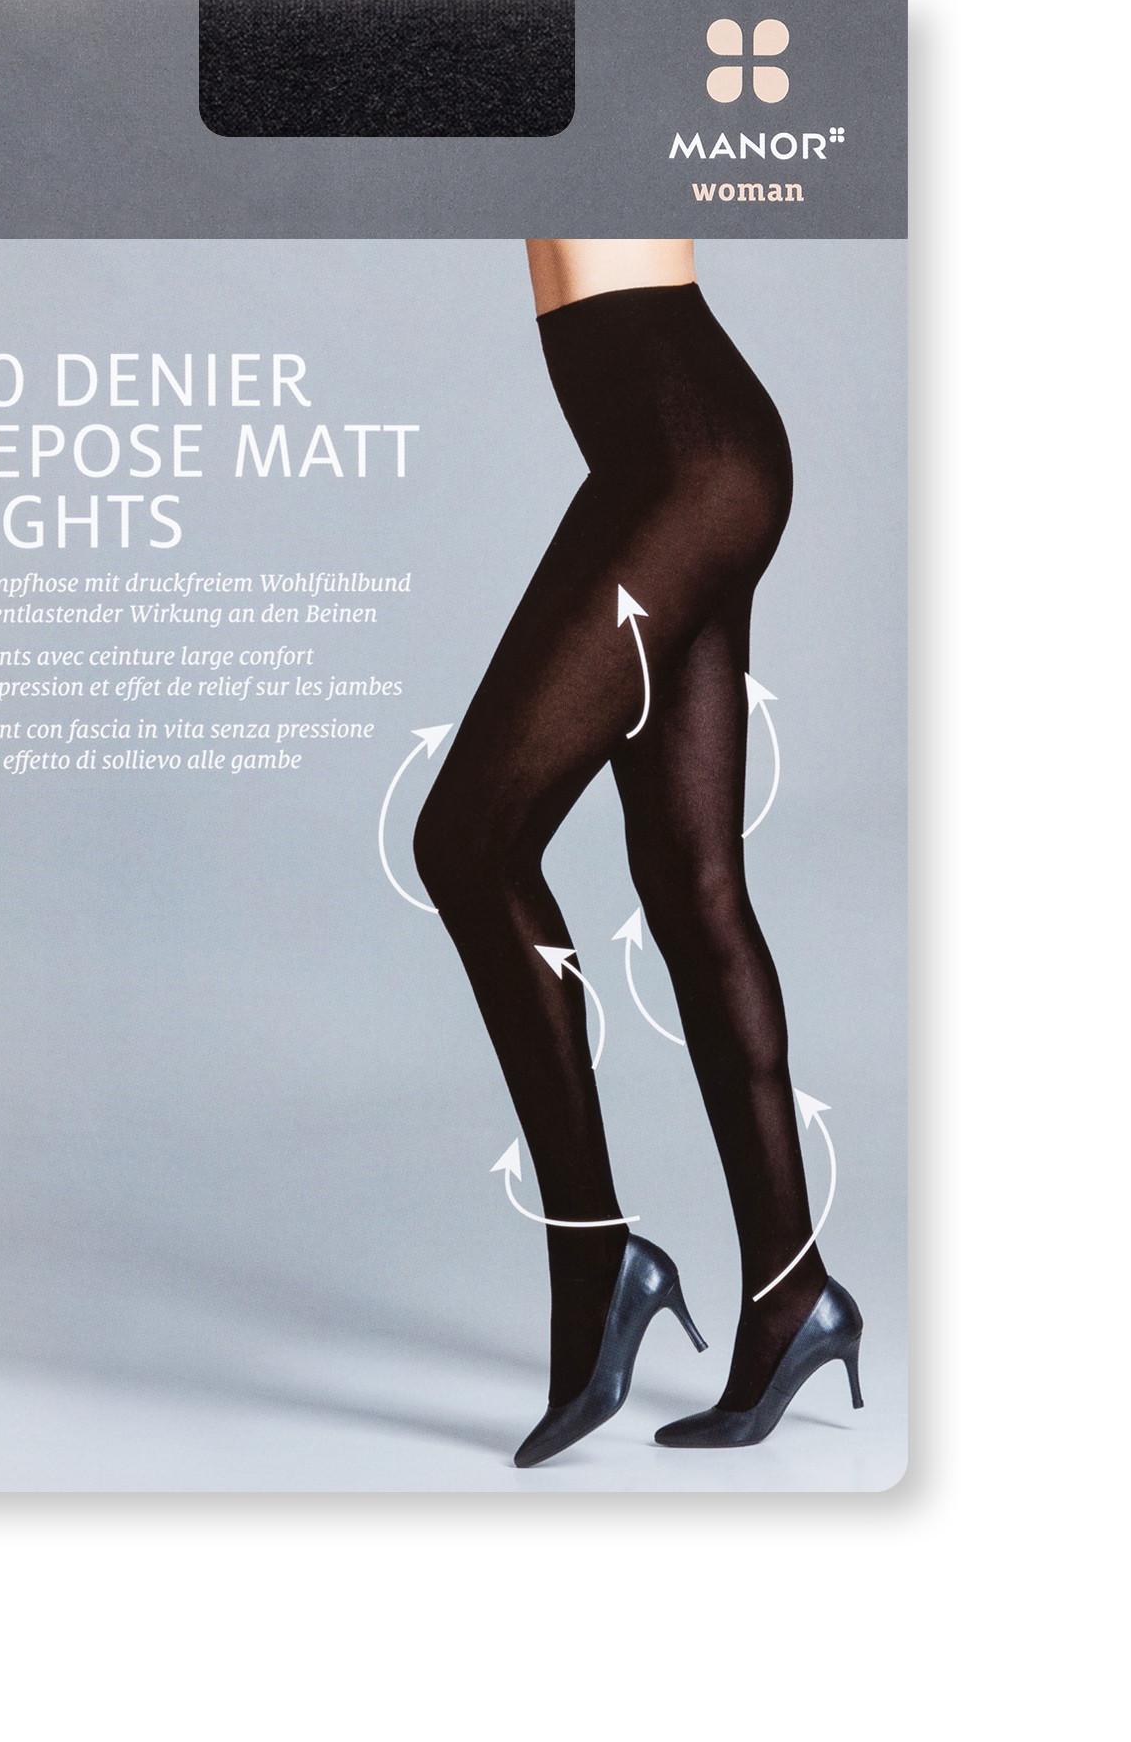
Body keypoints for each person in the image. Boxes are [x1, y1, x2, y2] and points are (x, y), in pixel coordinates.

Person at [413, 239, 862, 1466]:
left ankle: (595, 1257)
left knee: (467, 845)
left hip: (683, 460)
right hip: (685, 453)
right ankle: (792, 1292)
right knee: (689, 882)